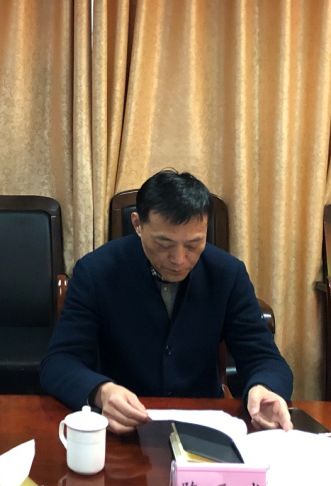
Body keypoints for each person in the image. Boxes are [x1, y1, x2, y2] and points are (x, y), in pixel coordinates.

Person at [40, 170, 294, 434]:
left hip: (202, 422)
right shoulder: (97, 272)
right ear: (138, 224)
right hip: (124, 423)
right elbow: (59, 361)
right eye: (164, 244)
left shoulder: (227, 274)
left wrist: (264, 388)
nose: (179, 259)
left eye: (193, 244)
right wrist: (101, 392)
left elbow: (265, 358)